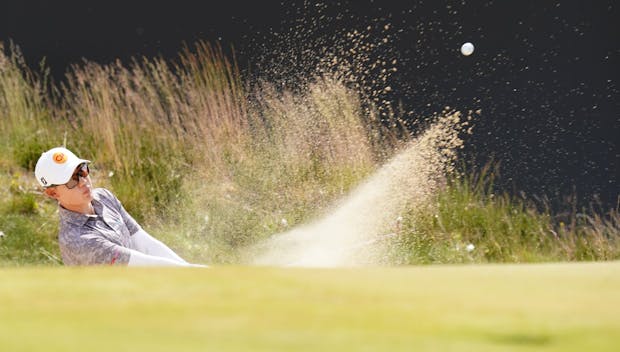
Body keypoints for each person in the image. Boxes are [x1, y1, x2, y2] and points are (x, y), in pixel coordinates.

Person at [35, 146, 206, 267]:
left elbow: (144, 243)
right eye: (72, 180)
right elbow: (144, 265)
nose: (83, 182)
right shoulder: (77, 240)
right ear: (52, 193)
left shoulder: (104, 197)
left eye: (82, 171)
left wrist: (187, 268)